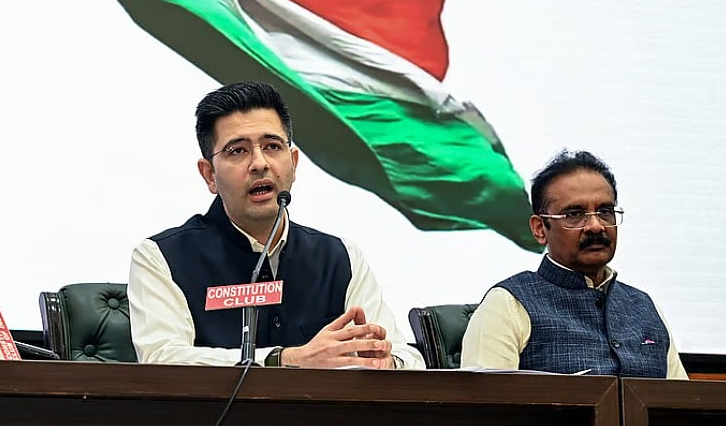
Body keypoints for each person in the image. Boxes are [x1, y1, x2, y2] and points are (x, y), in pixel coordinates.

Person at [128, 81, 424, 369]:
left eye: (272, 146)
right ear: (209, 175)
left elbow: (408, 358)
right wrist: (284, 359)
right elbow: (162, 360)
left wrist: (386, 360)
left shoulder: (339, 257)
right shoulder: (161, 258)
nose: (259, 163)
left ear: (293, 163)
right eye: (238, 151)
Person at [461, 150, 687, 378]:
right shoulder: (508, 304)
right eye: (574, 214)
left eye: (605, 211)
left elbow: (683, 404)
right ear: (540, 229)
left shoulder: (644, 307)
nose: (596, 226)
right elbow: (486, 408)